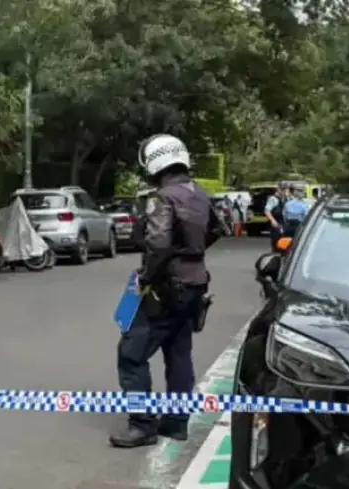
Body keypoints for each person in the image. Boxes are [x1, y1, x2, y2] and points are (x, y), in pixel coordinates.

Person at [110, 134, 223, 448]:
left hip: (164, 288)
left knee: (131, 356)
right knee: (179, 353)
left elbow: (157, 244)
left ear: (154, 161)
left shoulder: (161, 198)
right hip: (196, 283)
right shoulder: (199, 193)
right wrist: (191, 252)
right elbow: (217, 229)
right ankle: (176, 422)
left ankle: (141, 424)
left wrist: (147, 276)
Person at [264, 184, 289, 252]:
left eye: (285, 190)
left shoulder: (285, 198)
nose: (284, 191)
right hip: (276, 223)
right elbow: (267, 211)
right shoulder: (273, 199)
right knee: (277, 242)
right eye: (282, 189)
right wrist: (273, 220)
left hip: (284, 223)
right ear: (278, 189)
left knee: (284, 242)